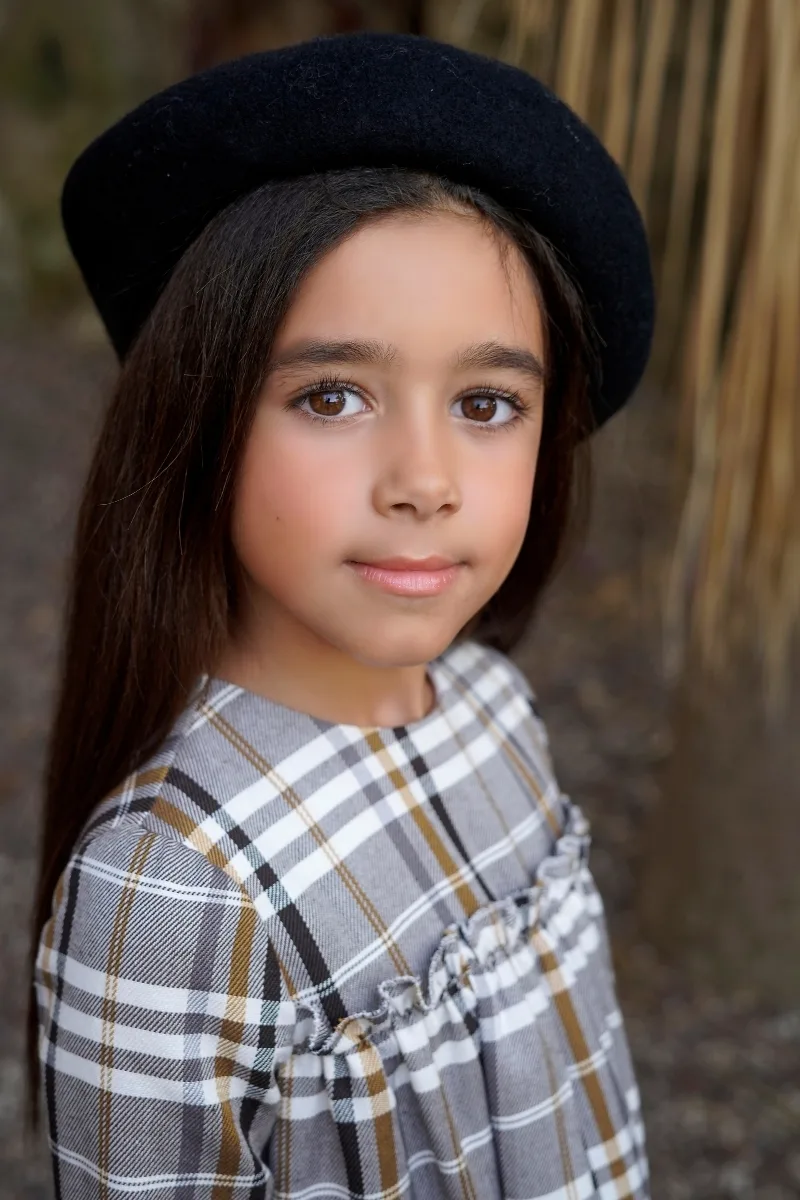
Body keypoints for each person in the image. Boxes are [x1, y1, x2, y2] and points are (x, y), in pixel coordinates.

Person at [27, 31, 655, 1200]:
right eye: (331, 395)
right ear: (196, 420)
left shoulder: (492, 708)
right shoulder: (174, 887)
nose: (423, 477)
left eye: (484, 401)